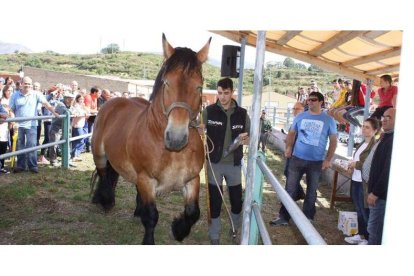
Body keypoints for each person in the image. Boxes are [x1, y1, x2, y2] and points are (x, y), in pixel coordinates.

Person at [270, 92, 337, 226]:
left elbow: (333, 141)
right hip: (297, 159)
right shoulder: (300, 117)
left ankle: (308, 219)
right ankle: (283, 216)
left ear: (321, 102)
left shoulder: (329, 120)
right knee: (289, 188)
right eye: (308, 100)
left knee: (312, 191)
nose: (310, 102)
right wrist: (288, 147)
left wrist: (328, 159)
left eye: (313, 100)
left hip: (316, 162)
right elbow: (292, 133)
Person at [202, 77, 250, 245]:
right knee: (215, 201)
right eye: (220, 93)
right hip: (214, 164)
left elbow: (251, 137)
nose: (222, 97)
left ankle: (235, 228)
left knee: (236, 201)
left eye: (226, 93)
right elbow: (200, 130)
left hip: (234, 165)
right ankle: (214, 235)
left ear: (232, 92)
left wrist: (246, 140)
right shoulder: (208, 111)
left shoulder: (242, 114)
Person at [9, 77, 59, 173]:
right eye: (26, 83)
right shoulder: (15, 95)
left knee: (32, 145)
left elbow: (46, 103)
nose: (27, 85)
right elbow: (11, 110)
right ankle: (21, 166)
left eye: (29, 84)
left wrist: (54, 113)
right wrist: (13, 121)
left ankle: (32, 166)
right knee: (20, 145)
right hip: (19, 125)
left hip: (32, 125)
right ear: (21, 84)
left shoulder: (36, 94)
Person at [345, 118, 380, 245]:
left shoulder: (375, 146)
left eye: (367, 127)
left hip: (364, 183)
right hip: (355, 179)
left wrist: (356, 164)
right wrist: (351, 167)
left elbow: (370, 164)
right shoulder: (361, 143)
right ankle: (360, 235)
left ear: (375, 130)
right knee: (358, 209)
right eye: (363, 126)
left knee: (365, 211)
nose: (364, 129)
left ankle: (368, 238)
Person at [366, 108, 395, 245]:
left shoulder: (394, 141)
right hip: (376, 192)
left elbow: (388, 171)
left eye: (388, 117)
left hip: (381, 196)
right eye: (383, 116)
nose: (384, 119)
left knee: (375, 230)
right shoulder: (386, 137)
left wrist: (376, 193)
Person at [48, 92, 75, 166]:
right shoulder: (60, 105)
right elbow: (67, 112)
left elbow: (75, 110)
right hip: (56, 127)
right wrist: (75, 111)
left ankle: (67, 159)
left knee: (68, 142)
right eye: (71, 99)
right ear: (66, 99)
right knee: (54, 144)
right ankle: (53, 160)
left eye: (73, 99)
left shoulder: (70, 105)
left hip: (65, 127)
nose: (72, 100)